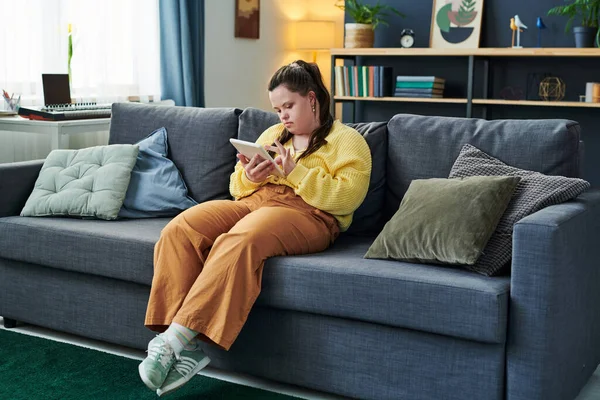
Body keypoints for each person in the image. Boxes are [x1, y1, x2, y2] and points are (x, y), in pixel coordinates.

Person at [138, 60, 372, 396]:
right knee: (182, 227)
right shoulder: (273, 135)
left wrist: (296, 174)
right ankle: (185, 348)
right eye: (277, 109)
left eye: (288, 106)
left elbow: (346, 198)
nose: (283, 116)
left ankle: (172, 341)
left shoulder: (347, 141)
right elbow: (236, 188)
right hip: (254, 202)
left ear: (312, 98)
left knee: (243, 236)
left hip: (310, 214)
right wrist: (249, 176)